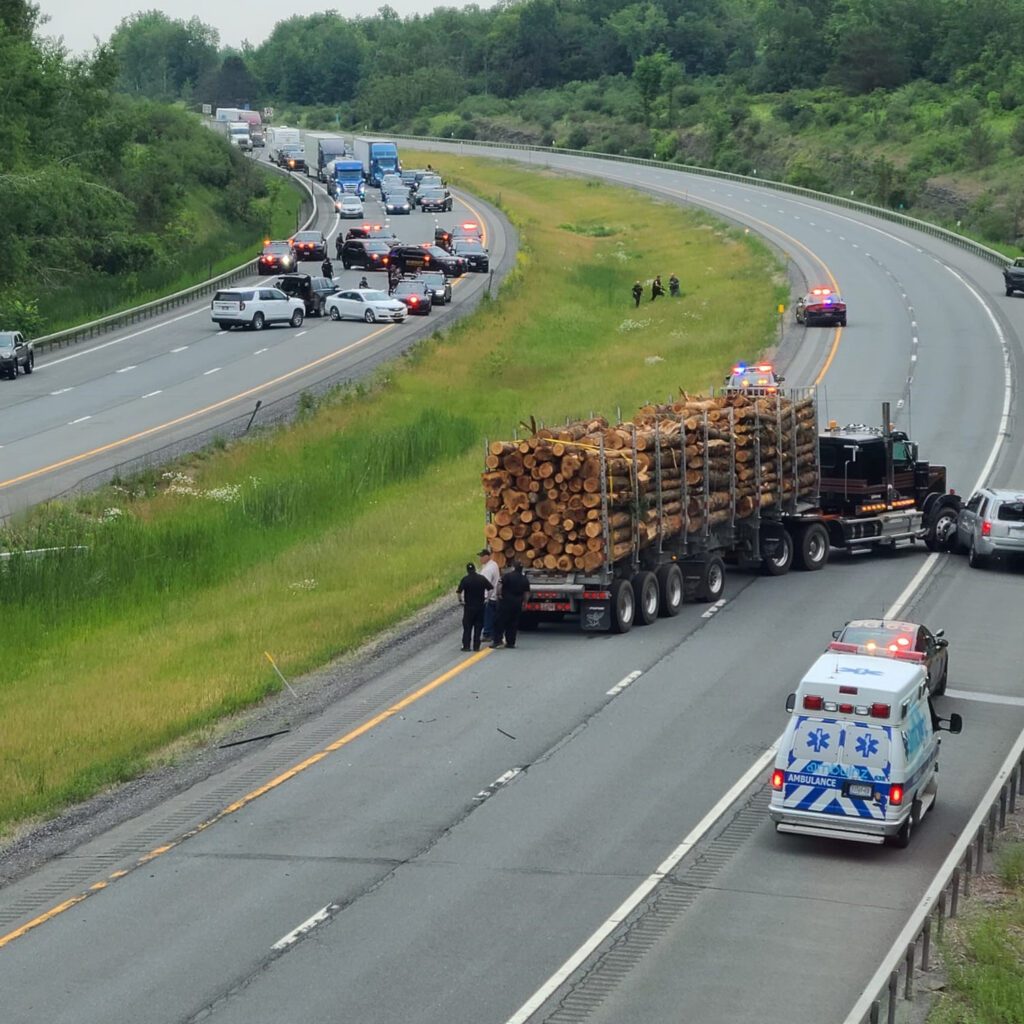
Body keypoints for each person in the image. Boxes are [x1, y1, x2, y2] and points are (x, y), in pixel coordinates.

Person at [491, 560, 530, 649]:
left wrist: (499, 594)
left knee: (499, 622)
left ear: (513, 567)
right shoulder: (524, 579)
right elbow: (526, 593)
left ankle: (497, 641)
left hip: (505, 603)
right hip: (517, 604)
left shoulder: (507, 576)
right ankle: (510, 642)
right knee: (513, 624)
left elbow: (500, 584)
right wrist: (525, 603)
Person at [456, 561, 492, 651]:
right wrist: (487, 598)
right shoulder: (482, 578)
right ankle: (476, 646)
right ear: (475, 569)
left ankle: (466, 646)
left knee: (467, 627)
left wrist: (461, 601)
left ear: (467, 570)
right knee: (478, 627)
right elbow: (490, 588)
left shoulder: (465, 579)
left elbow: (459, 592)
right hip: (480, 606)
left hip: (469, 607)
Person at [477, 548, 501, 642]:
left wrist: (484, 598)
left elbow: (485, 585)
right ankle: (493, 633)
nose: (480, 559)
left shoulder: (487, 570)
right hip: (495, 596)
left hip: (490, 597)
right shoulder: (494, 564)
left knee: (487, 616)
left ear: (487, 556)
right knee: (493, 617)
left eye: (482, 557)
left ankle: (487, 634)